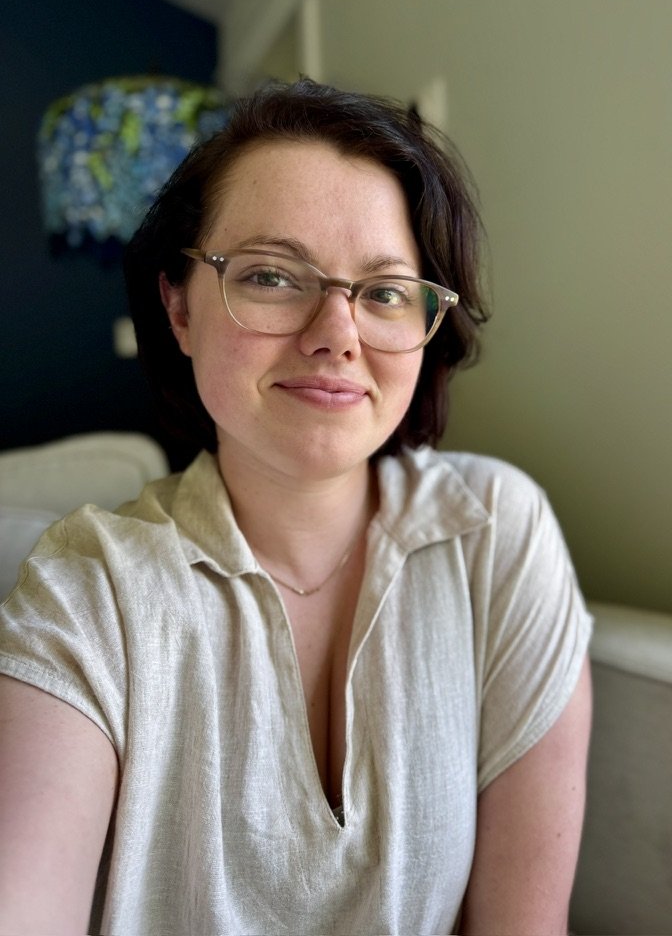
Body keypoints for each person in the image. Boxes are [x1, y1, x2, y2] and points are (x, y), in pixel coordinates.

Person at [0, 79, 592, 935]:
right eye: (273, 276)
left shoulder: (496, 532)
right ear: (180, 307)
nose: (337, 334)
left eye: (385, 292)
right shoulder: (89, 590)